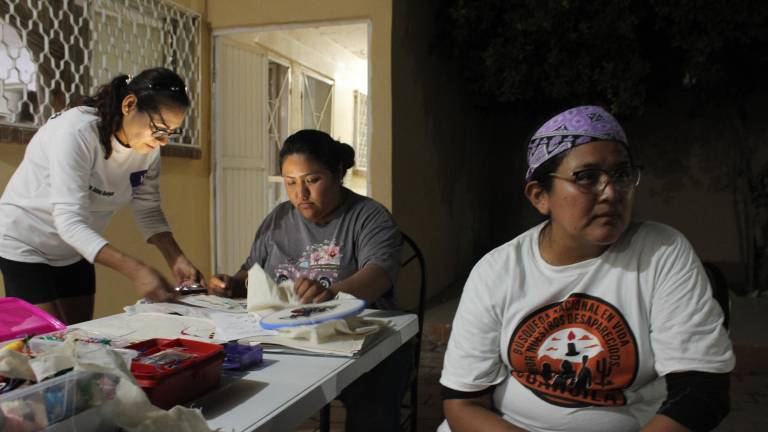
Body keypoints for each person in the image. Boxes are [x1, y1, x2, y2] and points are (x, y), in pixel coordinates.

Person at [440, 106, 735, 432]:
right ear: (540, 196)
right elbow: (463, 402)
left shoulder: (660, 253)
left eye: (622, 174)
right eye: (587, 177)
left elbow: (702, 393)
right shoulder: (497, 271)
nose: (611, 192)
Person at [208, 129, 410, 431]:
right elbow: (251, 273)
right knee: (222, 382)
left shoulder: (368, 216)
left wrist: (330, 293)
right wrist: (229, 285)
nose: (300, 194)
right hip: (283, 339)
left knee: (375, 399)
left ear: (337, 173)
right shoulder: (278, 219)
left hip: (352, 340)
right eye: (290, 182)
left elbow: (379, 274)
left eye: (312, 180)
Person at [0, 67, 205, 325]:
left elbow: (148, 208)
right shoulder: (76, 134)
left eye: (170, 132)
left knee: (80, 335)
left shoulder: (148, 150)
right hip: (26, 241)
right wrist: (137, 270)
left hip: (76, 247)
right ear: (129, 105)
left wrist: (176, 258)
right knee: (46, 343)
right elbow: (68, 221)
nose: (162, 141)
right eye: (159, 128)